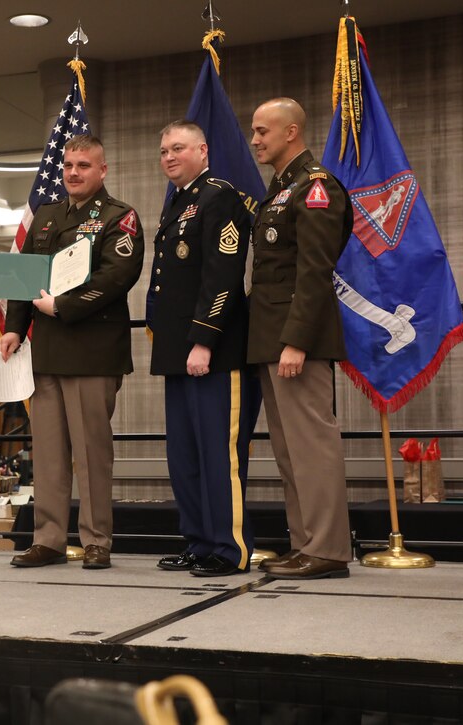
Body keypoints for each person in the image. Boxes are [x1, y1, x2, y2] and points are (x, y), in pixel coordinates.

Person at [0, 134, 144, 570]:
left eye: (84, 165)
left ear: (102, 170)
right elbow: (25, 275)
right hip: (47, 352)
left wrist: (62, 306)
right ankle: (48, 540)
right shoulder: (46, 215)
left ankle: (97, 540)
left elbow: (117, 276)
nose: (73, 172)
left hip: (92, 352)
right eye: (68, 165)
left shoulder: (120, 217)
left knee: (91, 453)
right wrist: (13, 329)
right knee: (47, 454)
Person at [148, 120, 261, 577]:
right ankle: (197, 542)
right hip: (178, 352)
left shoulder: (219, 197)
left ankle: (230, 549)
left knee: (219, 454)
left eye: (178, 148)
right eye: (163, 151)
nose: (169, 157)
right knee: (185, 457)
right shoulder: (179, 202)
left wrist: (203, 340)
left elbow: (223, 275)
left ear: (203, 150)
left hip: (213, 350)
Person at [248, 98, 353, 579]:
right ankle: (304, 542)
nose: (255, 140)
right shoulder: (281, 190)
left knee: (313, 446)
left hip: (296, 340)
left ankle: (328, 549)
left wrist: (296, 341)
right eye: (253, 131)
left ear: (291, 132)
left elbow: (315, 271)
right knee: (291, 452)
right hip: (271, 337)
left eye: (262, 131)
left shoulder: (315, 188)